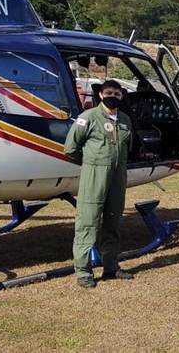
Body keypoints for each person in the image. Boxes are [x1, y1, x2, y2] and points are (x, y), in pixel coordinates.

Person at [65, 80, 135, 288]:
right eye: (108, 92)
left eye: (117, 93)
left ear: (121, 96)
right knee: (88, 222)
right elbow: (70, 149)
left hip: (117, 177)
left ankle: (111, 267)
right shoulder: (87, 118)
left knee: (113, 222)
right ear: (101, 95)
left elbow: (127, 149)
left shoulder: (125, 120)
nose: (113, 95)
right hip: (94, 175)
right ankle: (83, 271)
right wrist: (91, 164)